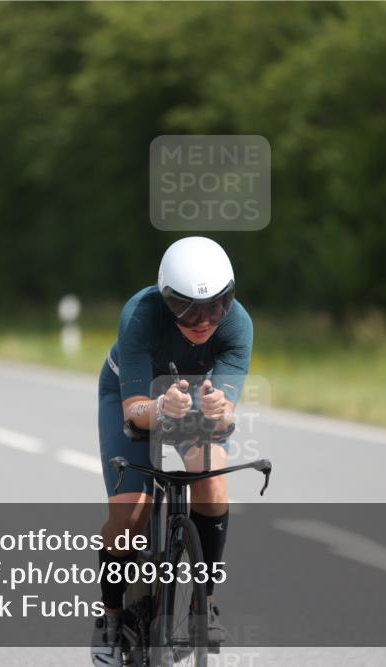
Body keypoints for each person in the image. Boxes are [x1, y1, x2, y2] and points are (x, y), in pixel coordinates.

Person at [91, 237, 253, 666]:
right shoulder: (140, 315)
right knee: (130, 513)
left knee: (214, 487)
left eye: (216, 306)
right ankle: (109, 618)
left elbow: (224, 418)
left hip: (190, 401)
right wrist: (160, 408)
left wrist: (218, 410)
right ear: (166, 301)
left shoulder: (238, 325)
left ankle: (206, 603)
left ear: (229, 298)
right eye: (187, 310)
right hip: (137, 397)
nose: (203, 321)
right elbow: (135, 411)